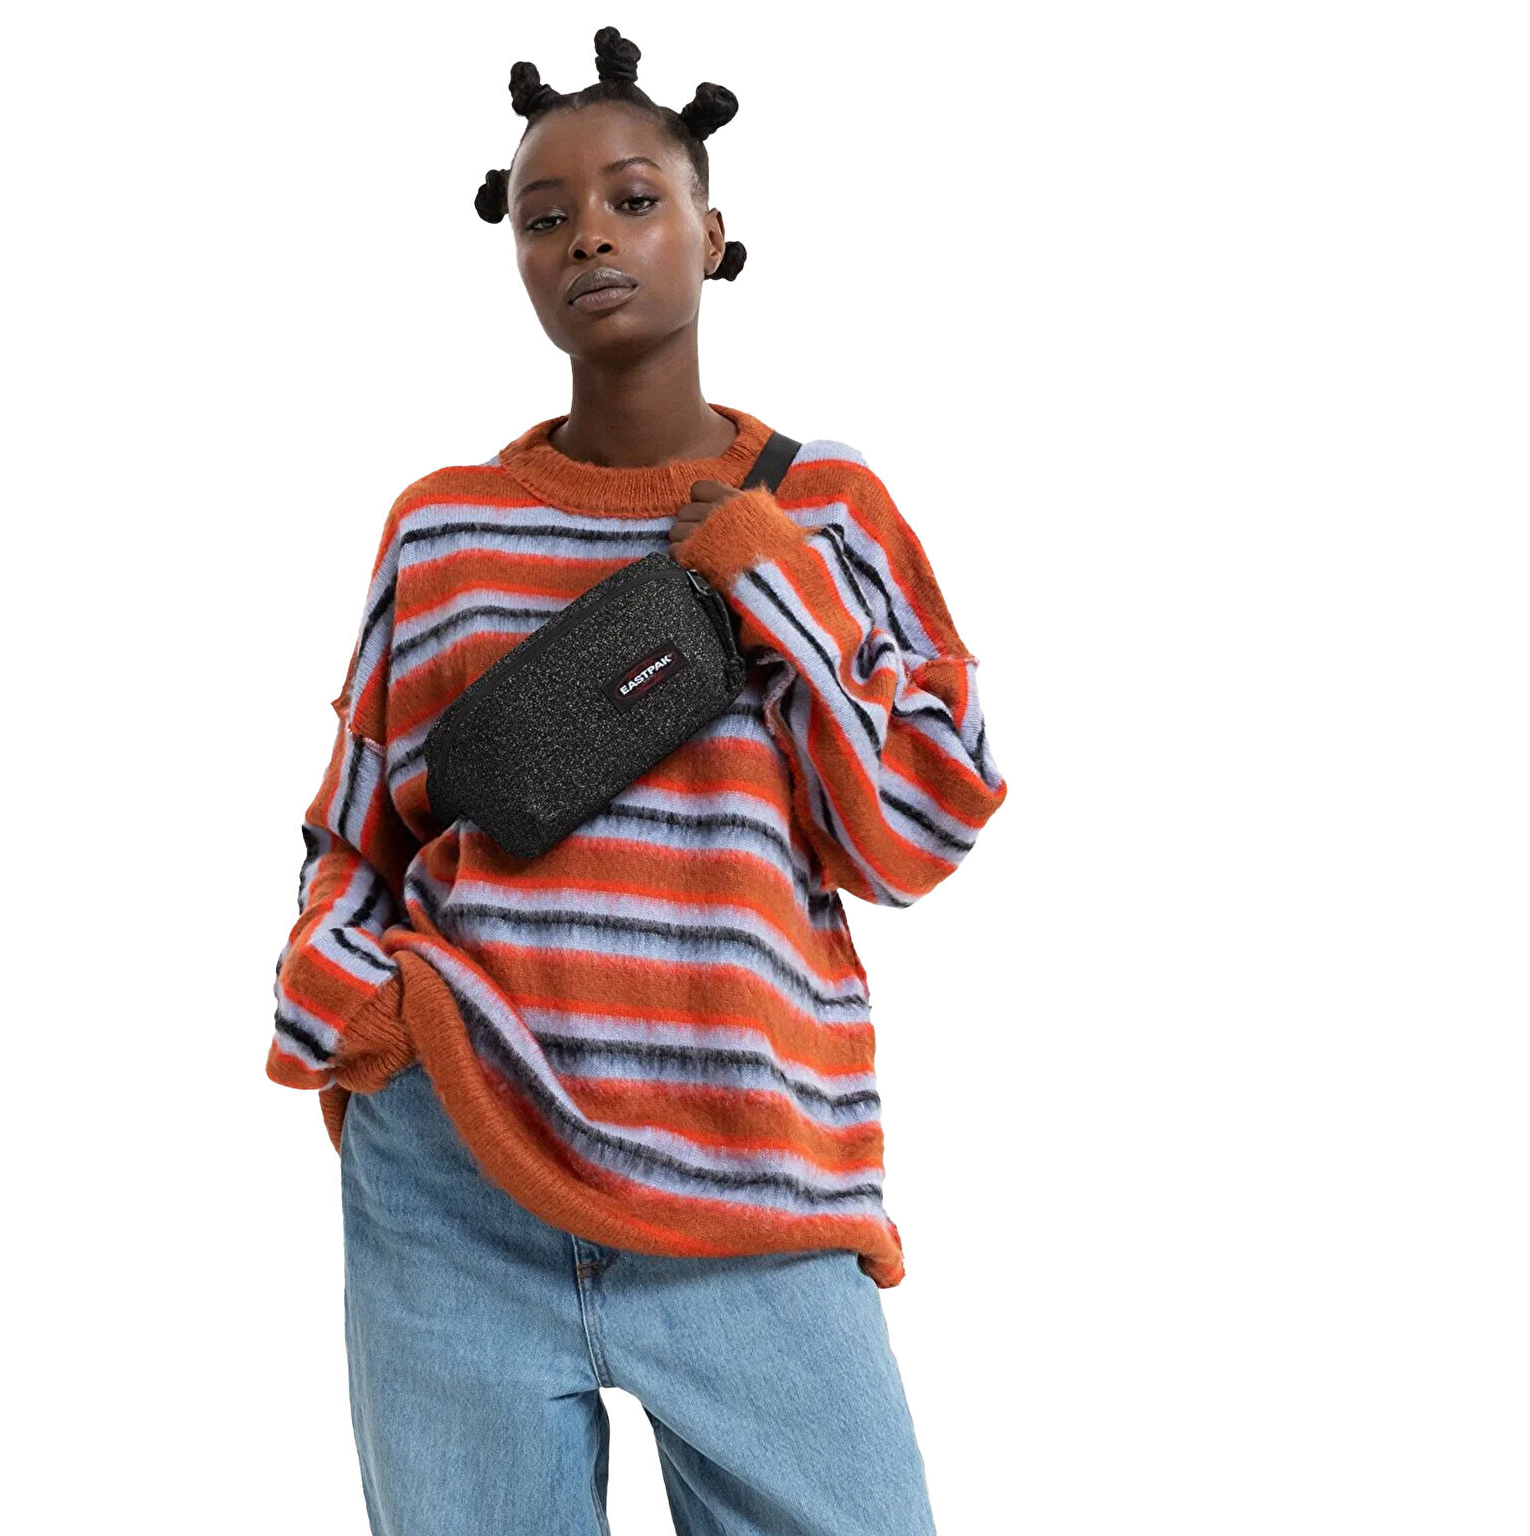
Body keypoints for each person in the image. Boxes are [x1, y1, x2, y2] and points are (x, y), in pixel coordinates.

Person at [267, 27, 1008, 1535]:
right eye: (546, 216)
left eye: (632, 199)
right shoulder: (442, 526)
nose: (589, 236)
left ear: (713, 231)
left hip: (750, 1167)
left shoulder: (829, 507)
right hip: (456, 1164)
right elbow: (357, 827)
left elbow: (920, 826)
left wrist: (771, 577)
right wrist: (350, 1001)